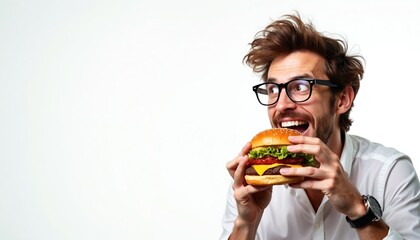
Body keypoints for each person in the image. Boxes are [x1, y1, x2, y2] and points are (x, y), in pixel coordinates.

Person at [220, 13, 420, 240]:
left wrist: (357, 209)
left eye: (301, 86)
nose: (282, 104)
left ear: (342, 99)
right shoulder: (251, 181)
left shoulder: (390, 172)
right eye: (273, 90)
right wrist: (247, 222)